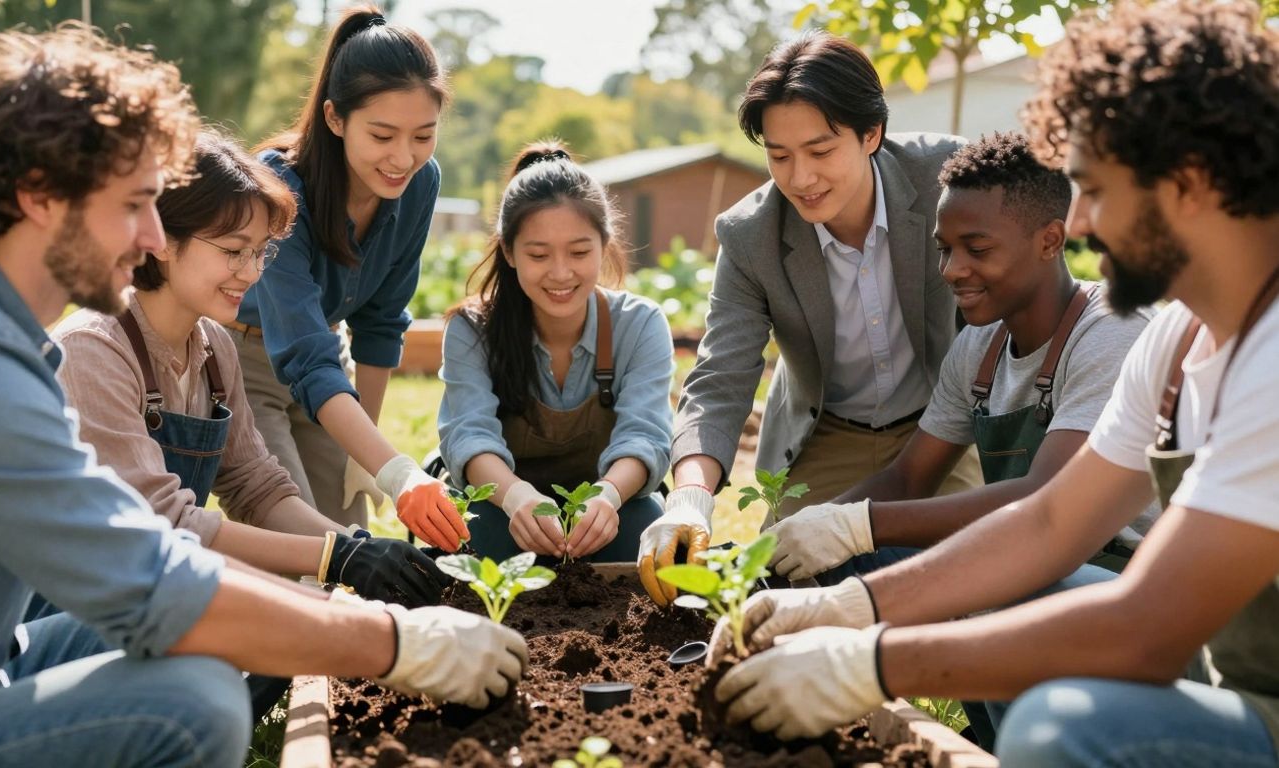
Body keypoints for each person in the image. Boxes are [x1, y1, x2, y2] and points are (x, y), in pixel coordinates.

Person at [0, 25, 524, 767]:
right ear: (40, 195)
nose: (152, 236)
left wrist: (343, 573)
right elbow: (146, 571)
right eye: (135, 204)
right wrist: (393, 641)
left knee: (247, 625)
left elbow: (225, 510)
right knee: (195, 702)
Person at [703, 4, 1279, 766]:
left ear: (1188, 182)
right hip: (1237, 694)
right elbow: (1047, 523)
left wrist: (870, 664)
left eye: (1096, 191)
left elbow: (1147, 627)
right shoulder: (1176, 344)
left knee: (1059, 730)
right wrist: (850, 603)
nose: (1079, 224)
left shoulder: (1268, 358)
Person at [638, 31, 983, 604]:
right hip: (828, 434)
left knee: (967, 578)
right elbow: (720, 378)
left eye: (820, 152)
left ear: (871, 134)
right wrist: (689, 500)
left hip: (940, 425)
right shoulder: (750, 237)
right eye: (779, 156)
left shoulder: (947, 180)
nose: (800, 178)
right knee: (783, 582)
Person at [52, 129, 448, 610]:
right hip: (72, 609)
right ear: (161, 240)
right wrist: (336, 556)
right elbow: (162, 524)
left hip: (151, 598)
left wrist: (360, 548)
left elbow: (256, 488)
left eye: (261, 251)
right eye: (233, 250)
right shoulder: (95, 351)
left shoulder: (215, 349)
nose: (252, 272)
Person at [766, 132, 1155, 589]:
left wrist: (859, 526)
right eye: (944, 249)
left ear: (1050, 240)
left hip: (1122, 580)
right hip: (1028, 555)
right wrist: (817, 526)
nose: (951, 270)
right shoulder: (979, 347)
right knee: (836, 568)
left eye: (978, 249)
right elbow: (908, 480)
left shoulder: (1112, 331)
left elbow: (1047, 496)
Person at [231, 5, 466, 549]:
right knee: (297, 542)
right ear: (335, 118)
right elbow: (302, 352)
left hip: (326, 365)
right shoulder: (277, 187)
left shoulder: (420, 183)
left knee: (353, 535)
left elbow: (381, 320)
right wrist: (398, 471)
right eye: (382, 135)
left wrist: (369, 453)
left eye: (423, 136)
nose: (403, 158)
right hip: (243, 360)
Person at [436, 142, 674, 562]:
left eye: (579, 252)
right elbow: (469, 435)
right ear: (509, 251)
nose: (561, 273)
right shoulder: (472, 329)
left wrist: (608, 495)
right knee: (470, 529)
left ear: (604, 244)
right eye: (539, 254)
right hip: (502, 509)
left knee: (647, 525)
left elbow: (646, 435)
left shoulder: (640, 324)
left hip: (605, 512)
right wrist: (516, 497)